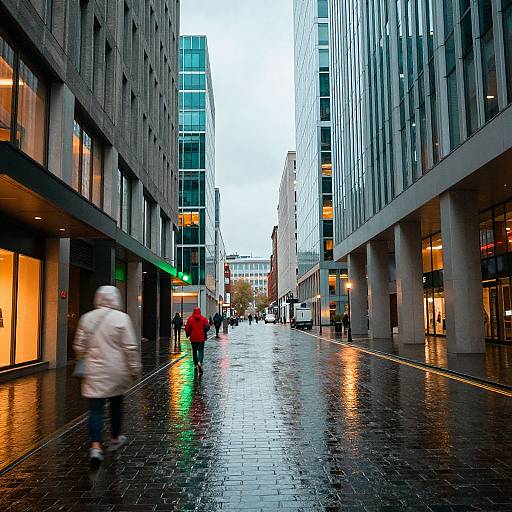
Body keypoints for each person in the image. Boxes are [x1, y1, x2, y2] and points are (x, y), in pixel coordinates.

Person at [73, 286, 141, 465]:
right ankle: (114, 437)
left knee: (95, 410)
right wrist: (134, 369)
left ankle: (95, 446)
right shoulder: (122, 318)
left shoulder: (87, 318)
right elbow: (130, 347)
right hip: (116, 371)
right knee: (116, 405)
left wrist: (85, 358)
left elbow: (79, 346)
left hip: (94, 371)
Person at [185, 307, 210, 373]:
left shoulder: (190, 319)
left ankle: (195, 364)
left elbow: (187, 328)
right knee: (201, 351)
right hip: (201, 338)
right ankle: (200, 362)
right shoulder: (203, 319)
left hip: (193, 338)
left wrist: (188, 334)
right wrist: (204, 331)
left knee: (194, 351)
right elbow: (207, 326)